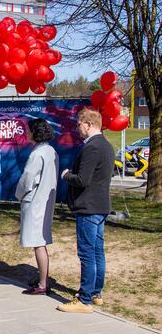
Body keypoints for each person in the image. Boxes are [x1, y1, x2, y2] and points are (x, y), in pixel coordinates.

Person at [57, 109, 114, 314]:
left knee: (87, 253)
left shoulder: (92, 148)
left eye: (79, 125)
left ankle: (85, 298)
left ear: (88, 124)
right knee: (97, 251)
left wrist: (66, 175)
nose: (77, 128)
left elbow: (82, 179)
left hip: (89, 207)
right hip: (100, 205)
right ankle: (96, 293)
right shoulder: (106, 145)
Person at [15, 119, 59, 295]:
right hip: (45, 199)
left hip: (34, 201)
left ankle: (42, 284)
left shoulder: (37, 154)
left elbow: (28, 178)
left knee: (38, 242)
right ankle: (43, 277)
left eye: (28, 130)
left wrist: (19, 195)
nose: (26, 133)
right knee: (40, 240)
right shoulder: (51, 151)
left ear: (35, 132)